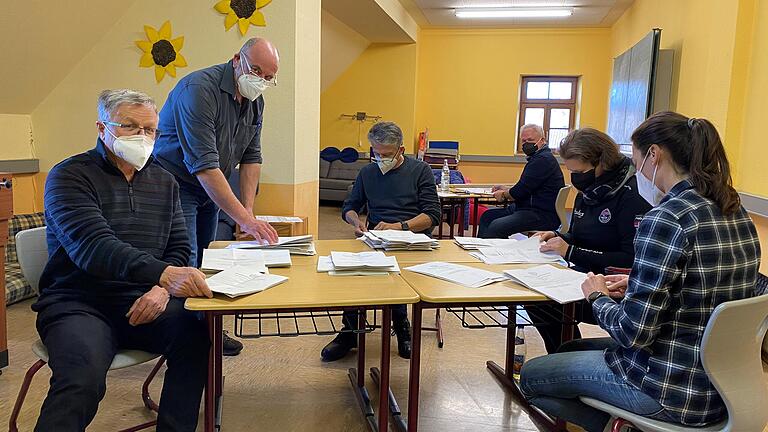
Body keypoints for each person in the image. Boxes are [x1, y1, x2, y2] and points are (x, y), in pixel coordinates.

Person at [520, 112, 761, 432]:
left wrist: (597, 296)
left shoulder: (665, 218)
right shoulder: (735, 210)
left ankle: (623, 427)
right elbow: (705, 283)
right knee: (569, 351)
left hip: (664, 387)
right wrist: (636, 282)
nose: (637, 173)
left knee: (533, 377)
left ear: (654, 155)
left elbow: (632, 333)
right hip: (722, 385)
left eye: (636, 162)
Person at [31, 89, 212, 431]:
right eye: (130, 126)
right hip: (78, 303)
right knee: (81, 379)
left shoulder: (165, 179)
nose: (142, 137)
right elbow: (94, 247)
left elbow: (178, 247)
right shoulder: (69, 176)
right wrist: (165, 276)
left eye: (150, 129)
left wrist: (162, 290)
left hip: (145, 300)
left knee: (197, 337)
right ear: (102, 128)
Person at [153, 37, 281, 356]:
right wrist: (246, 220)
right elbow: (204, 166)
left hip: (212, 186)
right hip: (176, 183)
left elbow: (252, 157)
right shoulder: (198, 89)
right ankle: (183, 339)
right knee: (186, 259)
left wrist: (248, 214)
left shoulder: (255, 101)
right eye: (256, 71)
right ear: (237, 59)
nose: (261, 81)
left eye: (269, 77)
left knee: (208, 261)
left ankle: (206, 328)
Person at [321, 122, 441, 362]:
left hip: (412, 240)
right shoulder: (368, 172)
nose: (381, 158)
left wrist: (400, 226)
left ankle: (402, 328)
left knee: (395, 276)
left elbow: (432, 215)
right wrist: (356, 223)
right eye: (376, 153)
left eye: (387, 154)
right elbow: (350, 207)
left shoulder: (420, 170)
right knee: (352, 274)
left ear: (401, 150)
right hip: (376, 238)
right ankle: (350, 331)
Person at [525, 128, 652, 353]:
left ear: (600, 163)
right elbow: (580, 235)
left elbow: (630, 258)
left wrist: (570, 251)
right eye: (571, 170)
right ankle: (564, 357)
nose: (575, 178)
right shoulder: (590, 191)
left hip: (614, 286)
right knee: (536, 298)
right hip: (582, 275)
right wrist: (557, 236)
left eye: (579, 170)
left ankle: (566, 359)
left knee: (545, 303)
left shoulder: (632, 195)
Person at [478, 124, 564, 238]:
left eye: (530, 140)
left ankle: (494, 254)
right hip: (528, 209)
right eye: (523, 141)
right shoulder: (539, 158)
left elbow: (520, 192)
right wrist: (507, 189)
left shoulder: (542, 160)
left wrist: (503, 194)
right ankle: (482, 249)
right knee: (487, 216)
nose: (526, 144)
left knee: (496, 226)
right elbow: (527, 186)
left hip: (540, 214)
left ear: (542, 140)